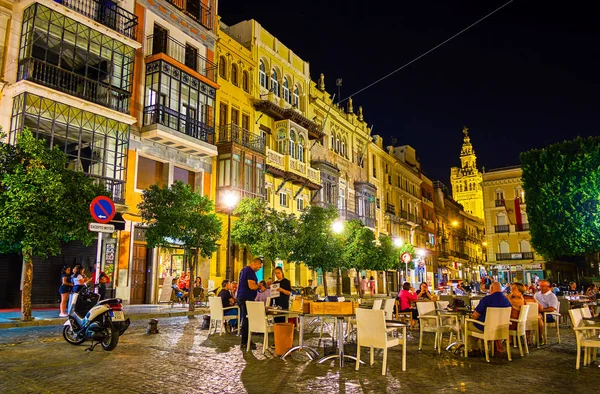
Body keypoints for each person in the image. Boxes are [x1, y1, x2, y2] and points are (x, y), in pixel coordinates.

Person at [466, 282, 510, 357]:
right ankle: (483, 347)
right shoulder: (506, 300)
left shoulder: (486, 299)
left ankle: (475, 349)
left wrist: (470, 318)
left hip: (486, 328)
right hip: (501, 328)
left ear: (491, 289)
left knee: (465, 325)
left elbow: (475, 316)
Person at [238, 258, 263, 350]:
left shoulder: (244, 270)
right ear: (256, 263)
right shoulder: (249, 271)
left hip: (242, 297)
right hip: (246, 298)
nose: (259, 269)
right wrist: (259, 286)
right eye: (259, 267)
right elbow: (251, 286)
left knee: (246, 319)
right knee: (246, 320)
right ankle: (245, 342)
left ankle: (247, 340)